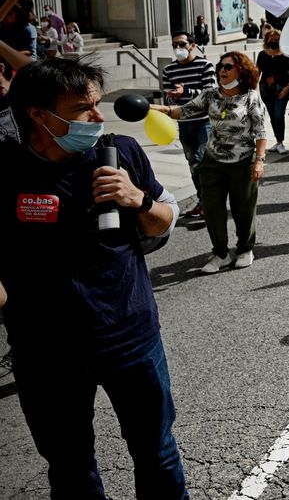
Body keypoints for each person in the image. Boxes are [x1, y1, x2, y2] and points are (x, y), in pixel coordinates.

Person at [1, 59, 188, 498]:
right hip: (44, 351)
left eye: (97, 104)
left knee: (156, 451)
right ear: (37, 114)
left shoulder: (119, 151)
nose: (98, 116)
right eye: (82, 108)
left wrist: (137, 199)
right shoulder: (5, 169)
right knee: (69, 463)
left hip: (129, 337)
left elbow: (165, 220)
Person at [151, 52, 268, 273]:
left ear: (240, 71)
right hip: (212, 161)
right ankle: (221, 253)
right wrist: (160, 110)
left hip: (243, 162)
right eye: (220, 67)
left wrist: (260, 161)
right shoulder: (210, 95)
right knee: (212, 209)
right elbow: (184, 111)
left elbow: (261, 132)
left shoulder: (250, 97)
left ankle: (245, 249)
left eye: (227, 67)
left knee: (243, 208)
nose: (222, 70)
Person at [162, 31, 217, 218]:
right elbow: (167, 99)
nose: (178, 48)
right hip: (184, 123)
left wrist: (186, 91)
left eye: (182, 44)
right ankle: (204, 201)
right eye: (174, 45)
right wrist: (172, 97)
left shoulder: (205, 65)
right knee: (192, 164)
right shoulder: (169, 70)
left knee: (204, 162)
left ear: (192, 45)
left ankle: (209, 202)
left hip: (204, 122)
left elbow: (209, 93)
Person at [255, 34, 289, 153]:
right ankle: (278, 141)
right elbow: (257, 72)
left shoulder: (286, 55)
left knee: (278, 115)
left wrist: (287, 88)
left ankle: (281, 142)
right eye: (271, 39)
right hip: (266, 91)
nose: (274, 41)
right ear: (266, 40)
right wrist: (253, 88)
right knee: (272, 116)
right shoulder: (262, 55)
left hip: (282, 90)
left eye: (277, 39)